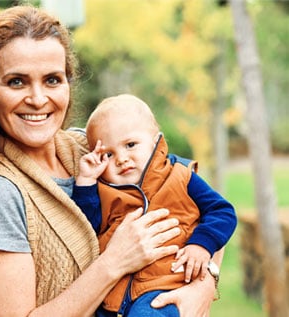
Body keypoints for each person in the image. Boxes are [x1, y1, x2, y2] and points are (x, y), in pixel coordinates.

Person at [0, 5, 222, 316]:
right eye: (17, 82)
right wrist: (115, 262)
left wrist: (204, 285)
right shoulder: (0, 193)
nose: (37, 98)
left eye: (52, 80)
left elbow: (193, 200)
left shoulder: (92, 149)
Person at [72, 94, 237, 316]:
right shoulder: (103, 191)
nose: (122, 158)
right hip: (116, 296)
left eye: (130, 145)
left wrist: (201, 245)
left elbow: (222, 211)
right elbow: (86, 228)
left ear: (155, 141)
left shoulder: (180, 176)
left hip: (167, 285)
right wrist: (86, 184)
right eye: (109, 154)